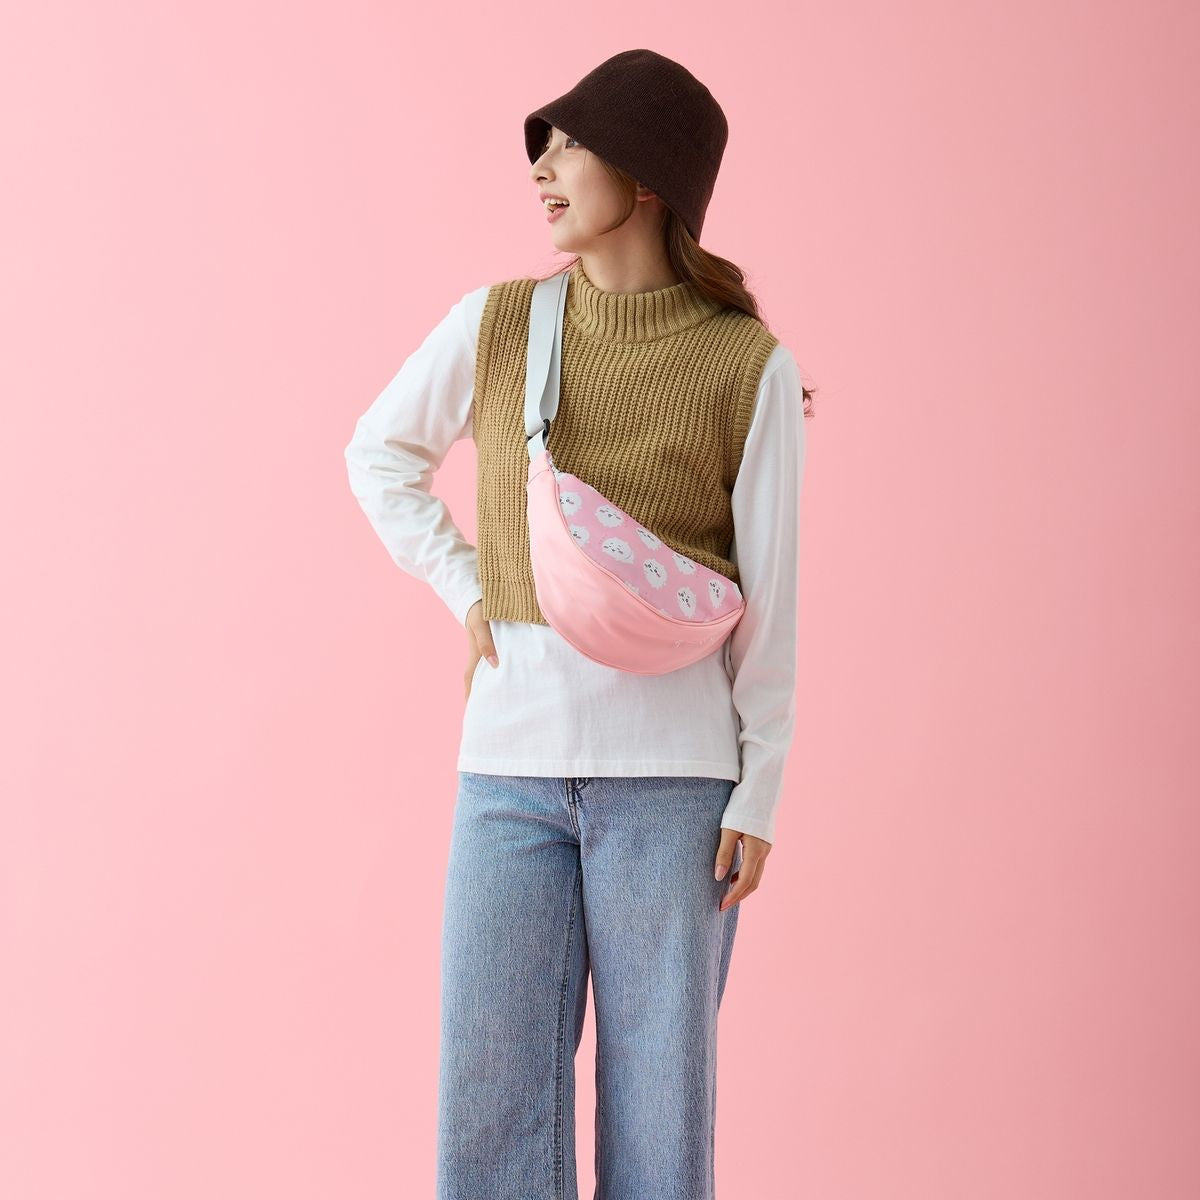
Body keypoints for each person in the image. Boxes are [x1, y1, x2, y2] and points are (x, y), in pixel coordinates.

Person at [344, 47, 812, 1200]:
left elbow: (774, 592)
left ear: (648, 177)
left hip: (678, 791)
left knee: (662, 1122)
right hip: (507, 773)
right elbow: (378, 455)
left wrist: (759, 789)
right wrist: (468, 589)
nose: (542, 169)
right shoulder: (499, 325)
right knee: (490, 1111)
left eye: (570, 146)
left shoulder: (746, 365)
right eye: (540, 148)